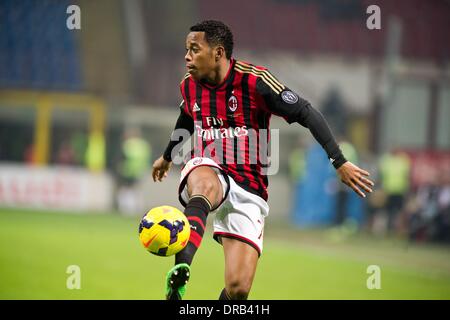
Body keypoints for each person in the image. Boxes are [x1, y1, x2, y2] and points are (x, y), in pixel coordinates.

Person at [151, 20, 374, 300]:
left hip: (249, 185)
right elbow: (187, 116)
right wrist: (168, 155)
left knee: (238, 289)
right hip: (209, 165)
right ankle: (180, 272)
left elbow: (306, 112)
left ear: (218, 53)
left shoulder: (255, 81)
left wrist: (338, 161)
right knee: (204, 185)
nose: (187, 56)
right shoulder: (189, 86)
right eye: (187, 49)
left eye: (194, 49)